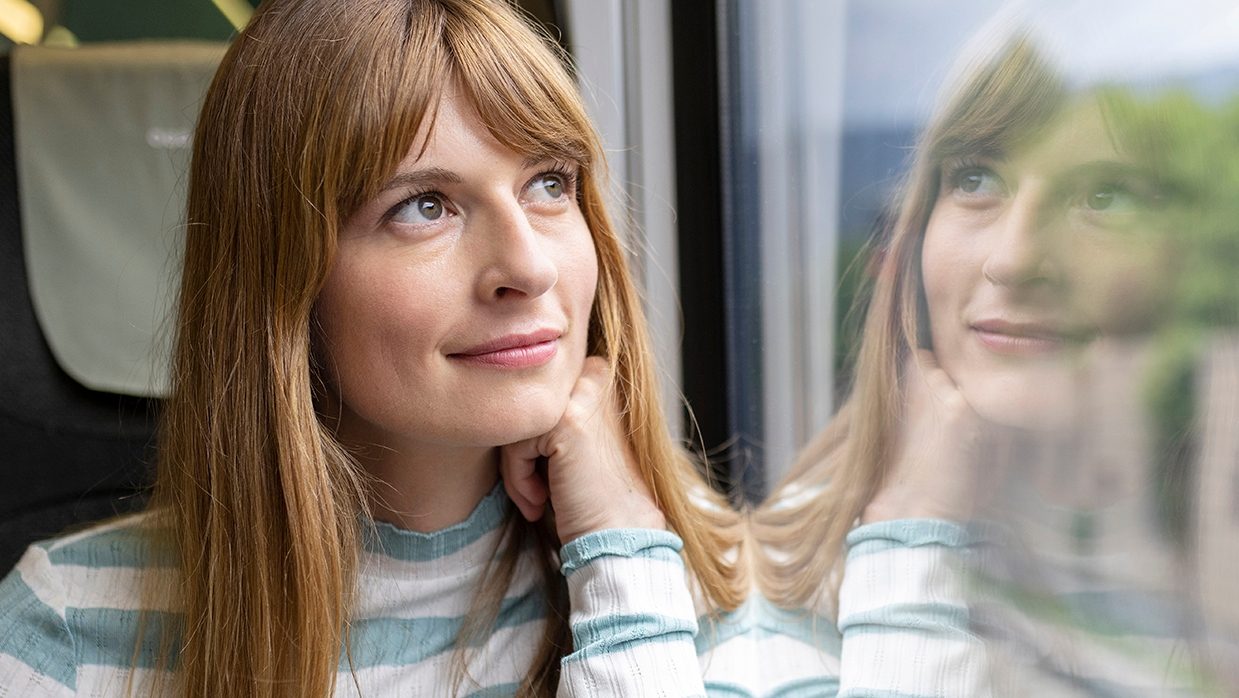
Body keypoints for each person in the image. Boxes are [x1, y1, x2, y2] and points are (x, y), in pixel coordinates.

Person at [0, 1, 747, 695]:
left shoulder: (702, 588)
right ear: (282, 281)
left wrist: (616, 554)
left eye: (548, 184)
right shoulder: (63, 633)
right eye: (425, 207)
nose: (529, 266)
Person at [753, 21, 1235, 696]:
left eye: (1102, 197)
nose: (1011, 258)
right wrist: (909, 534)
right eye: (976, 178)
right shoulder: (773, 588)